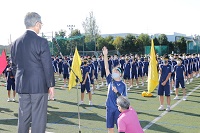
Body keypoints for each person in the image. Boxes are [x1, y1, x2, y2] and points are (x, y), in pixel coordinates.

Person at [11, 12, 55, 133]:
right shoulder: (41, 41)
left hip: (22, 85)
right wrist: (51, 85)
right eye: (40, 24)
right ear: (36, 24)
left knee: (23, 118)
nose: (41, 26)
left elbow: (14, 66)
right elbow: (47, 66)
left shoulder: (15, 43)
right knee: (38, 119)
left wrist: (20, 79)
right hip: (38, 86)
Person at [102, 46, 127, 133]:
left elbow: (125, 99)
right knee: (110, 128)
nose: (114, 72)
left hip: (118, 109)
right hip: (109, 107)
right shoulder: (110, 80)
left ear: (120, 74)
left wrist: (117, 92)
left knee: (120, 128)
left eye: (117, 71)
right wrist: (105, 55)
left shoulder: (123, 85)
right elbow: (106, 67)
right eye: (114, 71)